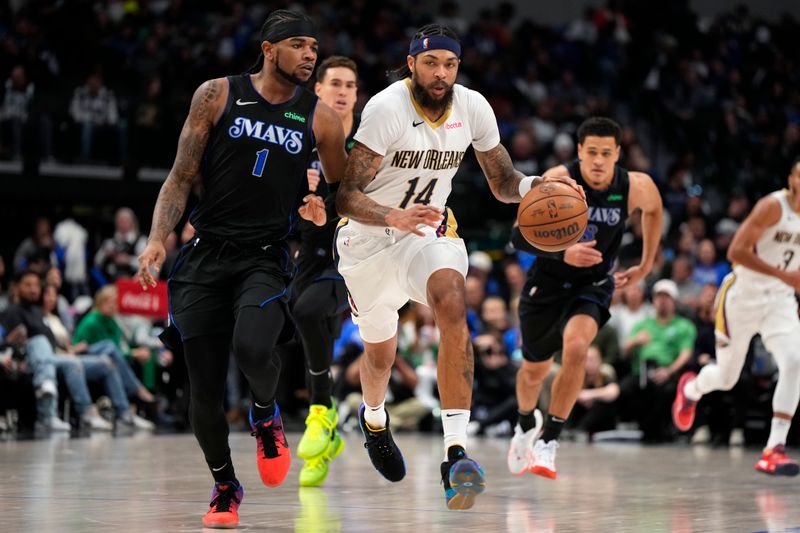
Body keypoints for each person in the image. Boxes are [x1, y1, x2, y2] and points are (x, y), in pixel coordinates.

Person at [335, 23, 580, 510]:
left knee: (453, 302)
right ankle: (374, 418)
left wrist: (537, 187)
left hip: (428, 231)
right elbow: (345, 196)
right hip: (366, 241)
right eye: (431, 63)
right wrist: (391, 215)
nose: (441, 73)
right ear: (412, 65)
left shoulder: (473, 107)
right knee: (379, 356)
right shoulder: (386, 108)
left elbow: (502, 180)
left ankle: (455, 453)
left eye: (449, 64)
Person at [136, 10, 346, 529]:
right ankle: (225, 485)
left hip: (268, 256)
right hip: (205, 254)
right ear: (269, 48)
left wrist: (325, 211)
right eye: (299, 45)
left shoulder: (319, 117)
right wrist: (156, 240)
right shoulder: (216, 94)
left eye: (314, 47)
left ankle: (266, 413)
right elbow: (181, 176)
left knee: (253, 347)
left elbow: (344, 190)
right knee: (202, 390)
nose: (310, 55)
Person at [507, 117, 662, 479]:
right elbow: (517, 237)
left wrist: (646, 263)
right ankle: (525, 423)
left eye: (606, 153)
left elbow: (654, 212)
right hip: (548, 281)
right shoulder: (557, 179)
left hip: (593, 283)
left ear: (618, 154)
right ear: (579, 151)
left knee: (577, 348)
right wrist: (563, 253)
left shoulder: (635, 186)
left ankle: (549, 441)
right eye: (591, 152)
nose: (597, 160)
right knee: (533, 373)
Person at [673, 159, 800, 477]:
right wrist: (784, 276)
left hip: (779, 301)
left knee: (795, 362)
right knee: (727, 377)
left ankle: (774, 448)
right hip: (741, 297)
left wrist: (786, 283)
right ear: (792, 179)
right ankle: (690, 390)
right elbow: (736, 252)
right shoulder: (773, 207)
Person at [290, 55, 360, 488]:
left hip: (355, 255)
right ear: (317, 89)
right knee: (296, 324)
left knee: (309, 311)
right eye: (334, 82)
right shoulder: (300, 141)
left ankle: (322, 411)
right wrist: (307, 216)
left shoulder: (369, 144)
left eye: (349, 85)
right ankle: (326, 437)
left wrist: (330, 215)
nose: (341, 91)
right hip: (312, 253)